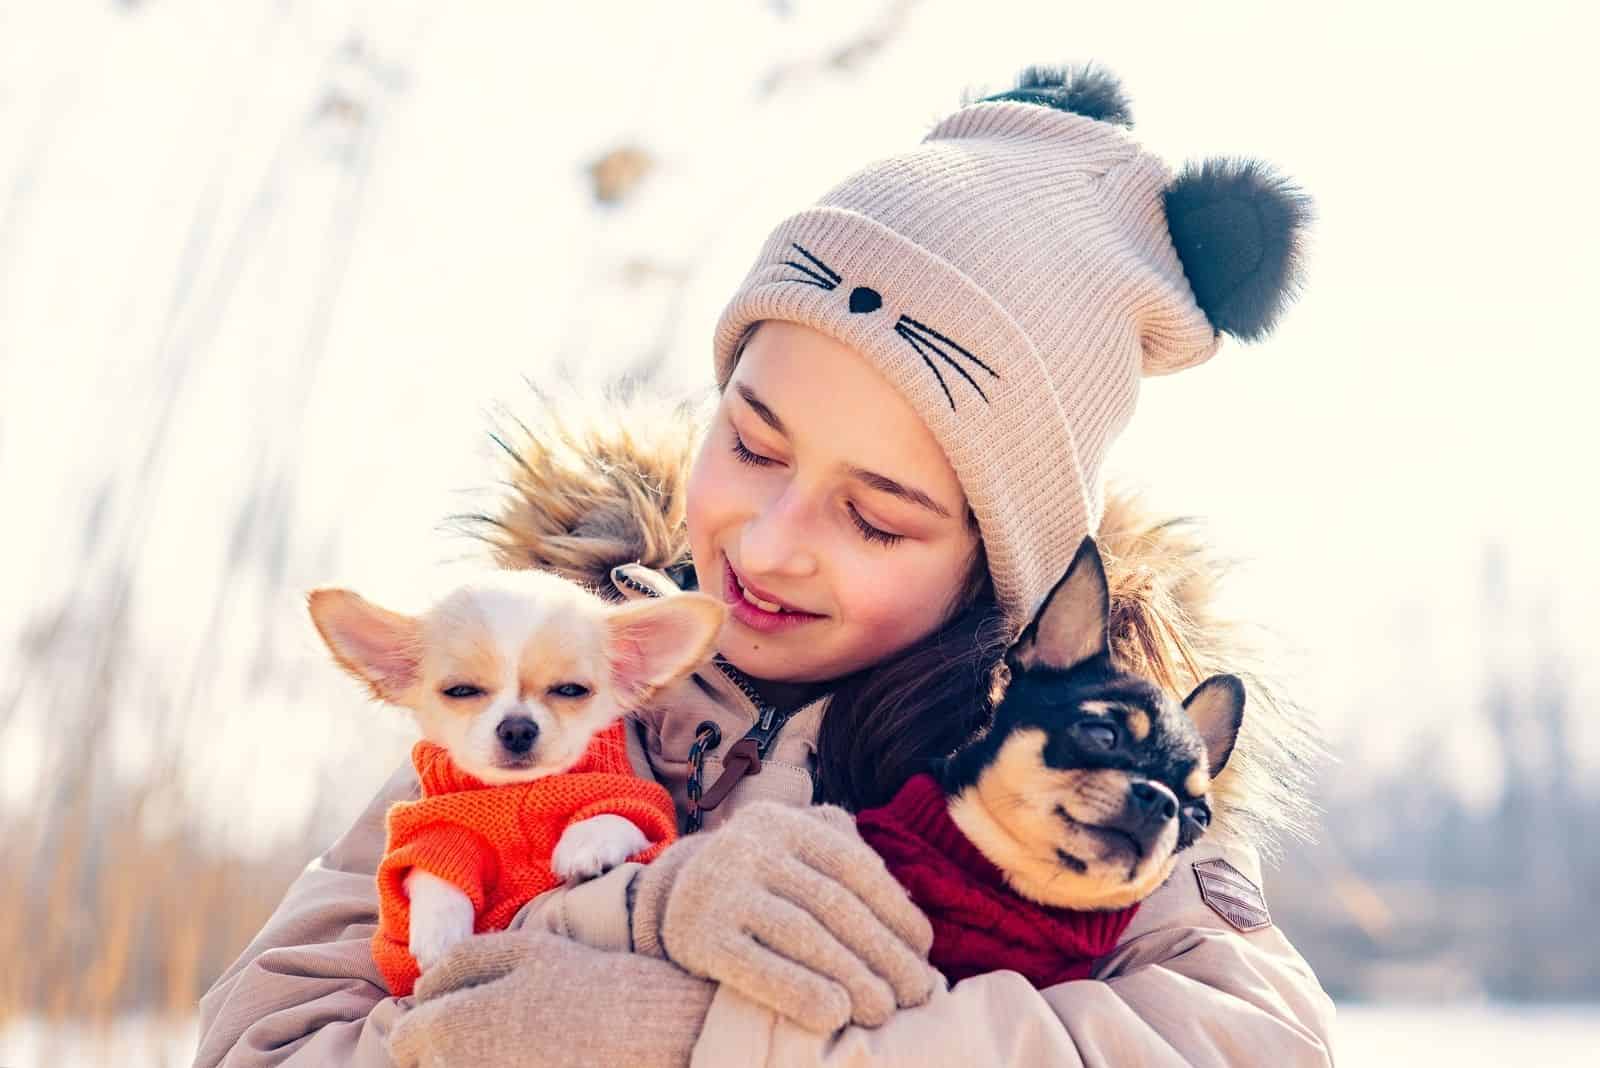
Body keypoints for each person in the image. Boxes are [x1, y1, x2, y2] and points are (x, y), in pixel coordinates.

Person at [193, 64, 1334, 1067]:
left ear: (1001, 572)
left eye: (877, 519)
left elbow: (1258, 1047)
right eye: (751, 443)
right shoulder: (548, 691)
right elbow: (266, 1039)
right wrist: (628, 926)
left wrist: (704, 1036)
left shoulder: (1073, 773)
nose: (773, 540)